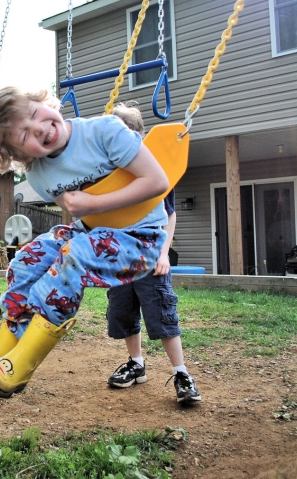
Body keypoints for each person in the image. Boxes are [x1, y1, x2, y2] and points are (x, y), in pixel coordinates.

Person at [0, 87, 169, 399]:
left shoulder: (106, 131)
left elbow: (158, 182)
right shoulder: (38, 174)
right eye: (24, 136)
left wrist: (91, 204)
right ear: (20, 155)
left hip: (141, 238)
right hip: (95, 233)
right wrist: (87, 211)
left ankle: (21, 365)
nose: (38, 128)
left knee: (72, 255)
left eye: (35, 114)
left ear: (44, 102)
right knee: (27, 259)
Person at [107, 102, 200, 403]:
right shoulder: (108, 173)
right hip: (120, 257)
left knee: (162, 312)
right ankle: (136, 365)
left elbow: (169, 215)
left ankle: (182, 373)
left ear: (135, 136)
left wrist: (163, 253)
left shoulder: (156, 168)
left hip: (149, 254)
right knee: (123, 312)